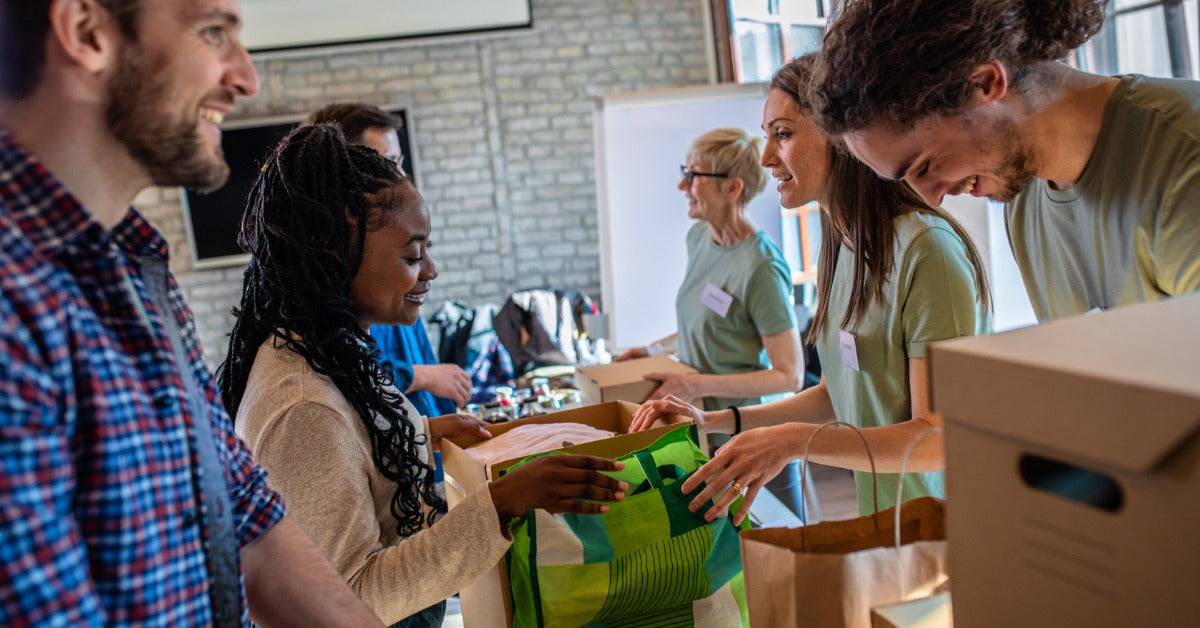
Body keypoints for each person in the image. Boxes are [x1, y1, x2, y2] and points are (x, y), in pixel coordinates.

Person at [0, 0, 381, 625]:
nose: (246, 79)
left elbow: (247, 518)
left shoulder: (138, 267)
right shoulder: (15, 302)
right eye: (213, 33)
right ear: (87, 31)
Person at [217, 124, 628, 626]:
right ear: (335, 254)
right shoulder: (302, 405)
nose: (430, 270)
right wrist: (502, 504)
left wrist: (422, 433)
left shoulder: (328, 351)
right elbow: (347, 600)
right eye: (413, 255)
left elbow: (348, 455)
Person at [631, 54, 990, 523]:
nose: (765, 158)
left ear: (843, 136)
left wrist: (793, 441)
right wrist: (717, 422)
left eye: (783, 134)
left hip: (947, 535)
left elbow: (936, 440)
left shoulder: (927, 252)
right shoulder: (843, 247)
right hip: (882, 526)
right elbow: (834, 395)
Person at [812, 0, 1200, 322]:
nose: (932, 198)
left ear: (984, 83)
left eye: (925, 166)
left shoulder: (1182, 156)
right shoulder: (1023, 198)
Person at [614, 127, 805, 515]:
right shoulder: (699, 239)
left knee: (783, 546)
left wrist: (692, 382)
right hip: (704, 423)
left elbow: (789, 375)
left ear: (732, 189)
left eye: (695, 175)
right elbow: (706, 321)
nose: (683, 184)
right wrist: (653, 351)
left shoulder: (762, 267)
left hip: (753, 433)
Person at [305, 102, 470, 417]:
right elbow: (354, 368)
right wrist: (422, 376)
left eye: (400, 162)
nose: (400, 176)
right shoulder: (353, 284)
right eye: (387, 162)